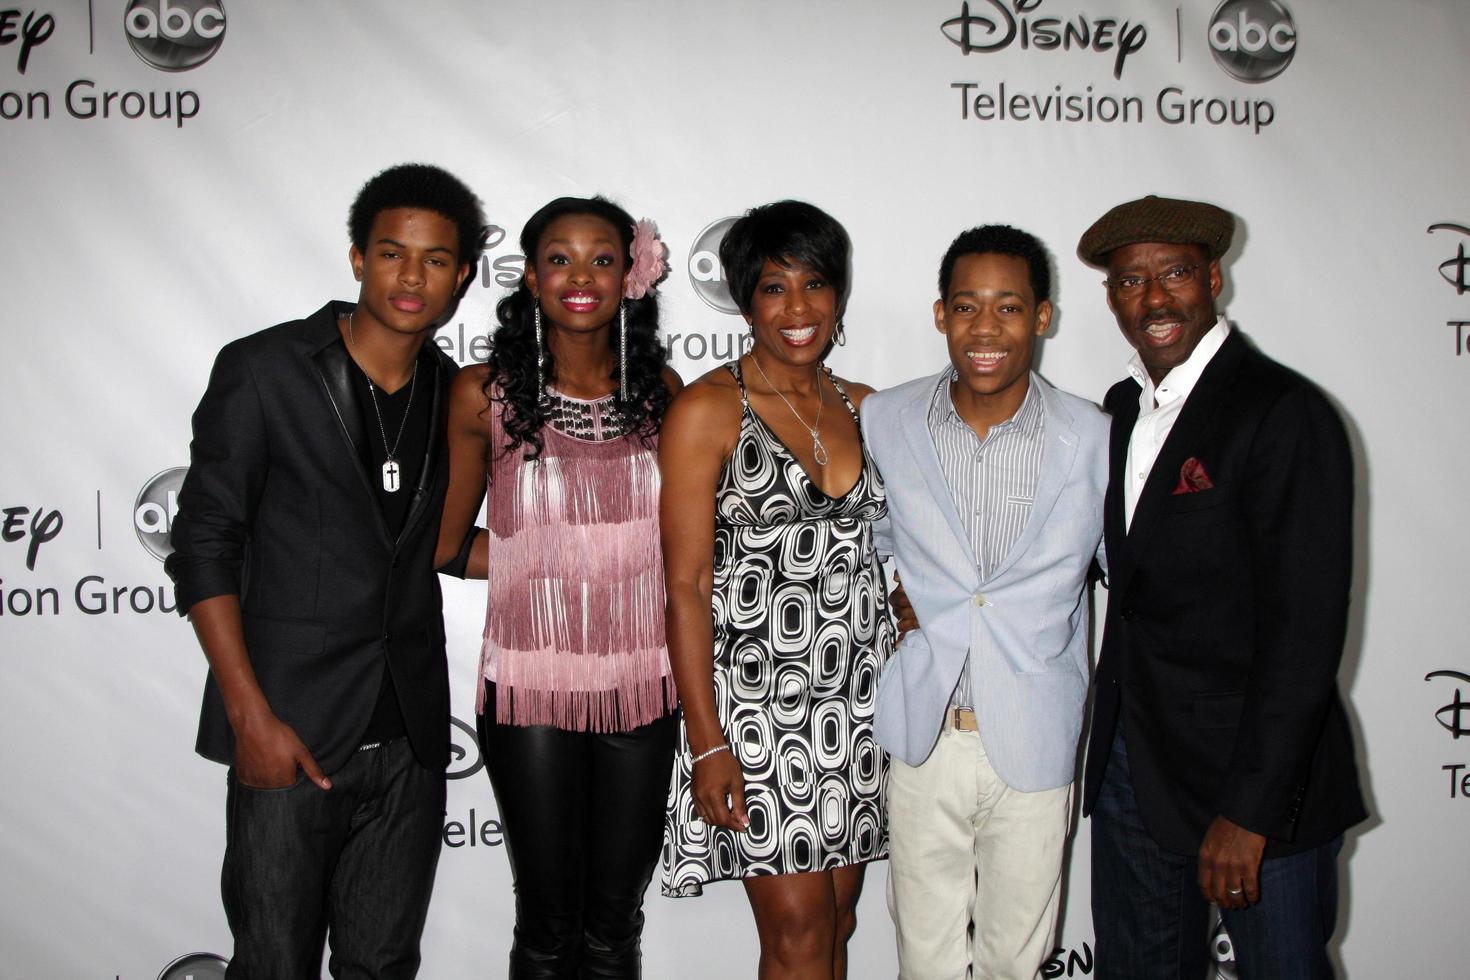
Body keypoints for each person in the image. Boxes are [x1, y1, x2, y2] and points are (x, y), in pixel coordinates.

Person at [165, 162, 486, 977]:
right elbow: (205, 541)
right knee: (274, 964)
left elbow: (445, 546)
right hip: (289, 728)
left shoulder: (455, 394)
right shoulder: (266, 369)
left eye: (436, 260)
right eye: (391, 253)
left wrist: (592, 559)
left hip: (411, 742)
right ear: (356, 258)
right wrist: (250, 718)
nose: (412, 276)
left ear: (462, 277)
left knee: (381, 968)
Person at [1077, 194, 1367, 979]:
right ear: (1111, 300)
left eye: (1173, 274)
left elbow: (1304, 632)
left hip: (1256, 785)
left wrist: (1249, 813)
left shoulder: (1283, 411)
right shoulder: (1122, 409)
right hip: (1136, 768)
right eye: (1131, 282)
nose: (1154, 299)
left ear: (1213, 278)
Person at [434, 196, 681, 978]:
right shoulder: (486, 394)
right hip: (529, 691)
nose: (581, 277)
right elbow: (443, 546)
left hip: (643, 687)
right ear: (532, 277)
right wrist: (542, 563)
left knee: (615, 927)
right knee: (546, 923)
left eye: (603, 258)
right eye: (560, 259)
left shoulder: (663, 391)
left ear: (631, 275)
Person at [860, 224, 1107, 979]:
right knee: (924, 960)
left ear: (1042, 317)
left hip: (1035, 737)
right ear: (941, 314)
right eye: (968, 307)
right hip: (925, 732)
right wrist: (894, 599)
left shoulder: (1094, 436)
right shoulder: (885, 419)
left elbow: (1129, 574)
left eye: (1008, 308)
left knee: (1016, 962)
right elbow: (867, 536)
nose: (986, 329)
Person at [660, 200, 892, 979]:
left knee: (837, 923)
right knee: (795, 934)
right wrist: (706, 740)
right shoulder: (708, 409)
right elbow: (687, 586)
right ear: (745, 299)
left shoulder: (869, 407)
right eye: (773, 287)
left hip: (858, 705)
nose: (798, 309)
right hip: (758, 711)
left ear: (839, 293)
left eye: (816, 284)